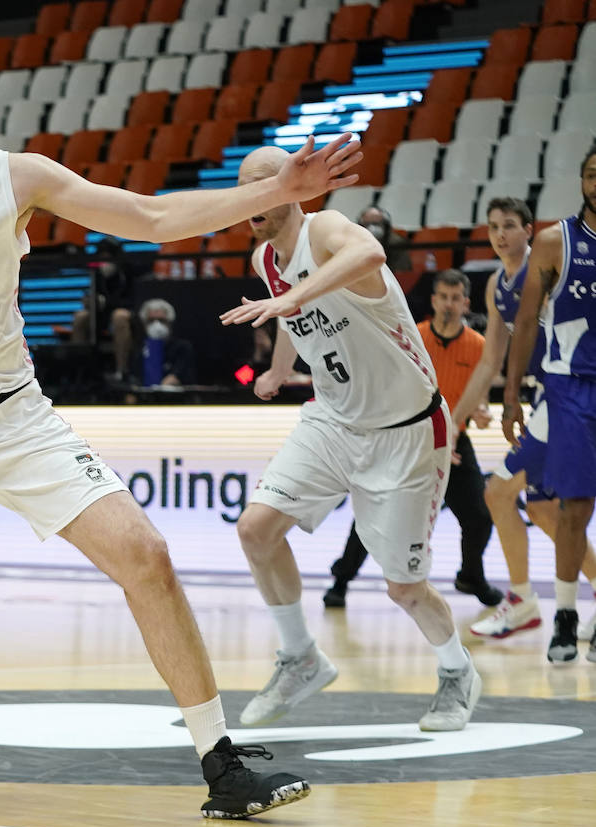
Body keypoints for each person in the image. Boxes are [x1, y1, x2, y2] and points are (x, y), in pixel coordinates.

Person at [0, 40, 363, 819]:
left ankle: (220, 763)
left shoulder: (17, 177)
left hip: (10, 418)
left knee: (147, 556)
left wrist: (279, 187)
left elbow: (150, 217)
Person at [220, 146, 480, 732]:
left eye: (263, 183)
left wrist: (294, 297)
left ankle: (457, 671)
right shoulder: (265, 259)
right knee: (256, 530)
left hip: (406, 430)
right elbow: (291, 318)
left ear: (291, 187)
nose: (251, 196)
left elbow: (370, 253)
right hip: (334, 421)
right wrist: (279, 370)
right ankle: (300, 658)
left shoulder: (326, 229)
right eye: (244, 186)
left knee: (404, 588)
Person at [452, 196, 596, 642]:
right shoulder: (497, 283)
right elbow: (489, 360)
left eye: (510, 225)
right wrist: (454, 424)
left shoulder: (549, 267)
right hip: (541, 400)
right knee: (542, 510)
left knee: (497, 493)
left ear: (529, 230)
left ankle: (521, 601)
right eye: (494, 226)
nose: (500, 234)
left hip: (566, 393)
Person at [323, 269, 501, 608]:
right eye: (443, 297)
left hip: (453, 442)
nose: (448, 304)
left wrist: (481, 411)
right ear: (433, 300)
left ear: (466, 304)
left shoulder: (479, 347)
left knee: (479, 516)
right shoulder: (412, 337)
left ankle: (471, 575)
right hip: (406, 438)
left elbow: (479, 398)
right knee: (376, 513)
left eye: (455, 298)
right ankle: (341, 580)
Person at [502, 143, 596, 663]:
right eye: (591, 174)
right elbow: (524, 324)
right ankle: (564, 614)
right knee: (573, 506)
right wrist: (511, 395)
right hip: (570, 386)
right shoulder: (554, 241)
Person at [69, 237, 134, 379]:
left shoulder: (129, 271)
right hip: (100, 316)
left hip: (123, 315)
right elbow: (94, 295)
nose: (105, 263)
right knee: (80, 317)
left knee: (119, 316)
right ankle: (80, 372)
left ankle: (121, 371)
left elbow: (132, 300)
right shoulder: (97, 273)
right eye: (102, 258)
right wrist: (90, 301)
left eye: (108, 258)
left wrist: (108, 302)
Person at [135, 297, 197, 386]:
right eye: (151, 321)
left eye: (162, 320)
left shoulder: (183, 348)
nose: (156, 325)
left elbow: (177, 378)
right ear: (144, 324)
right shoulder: (139, 349)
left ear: (170, 322)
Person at [358, 206, 411, 273]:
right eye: (367, 224)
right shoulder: (356, 242)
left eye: (376, 224)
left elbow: (402, 271)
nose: (372, 228)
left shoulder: (397, 243)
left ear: (386, 226)